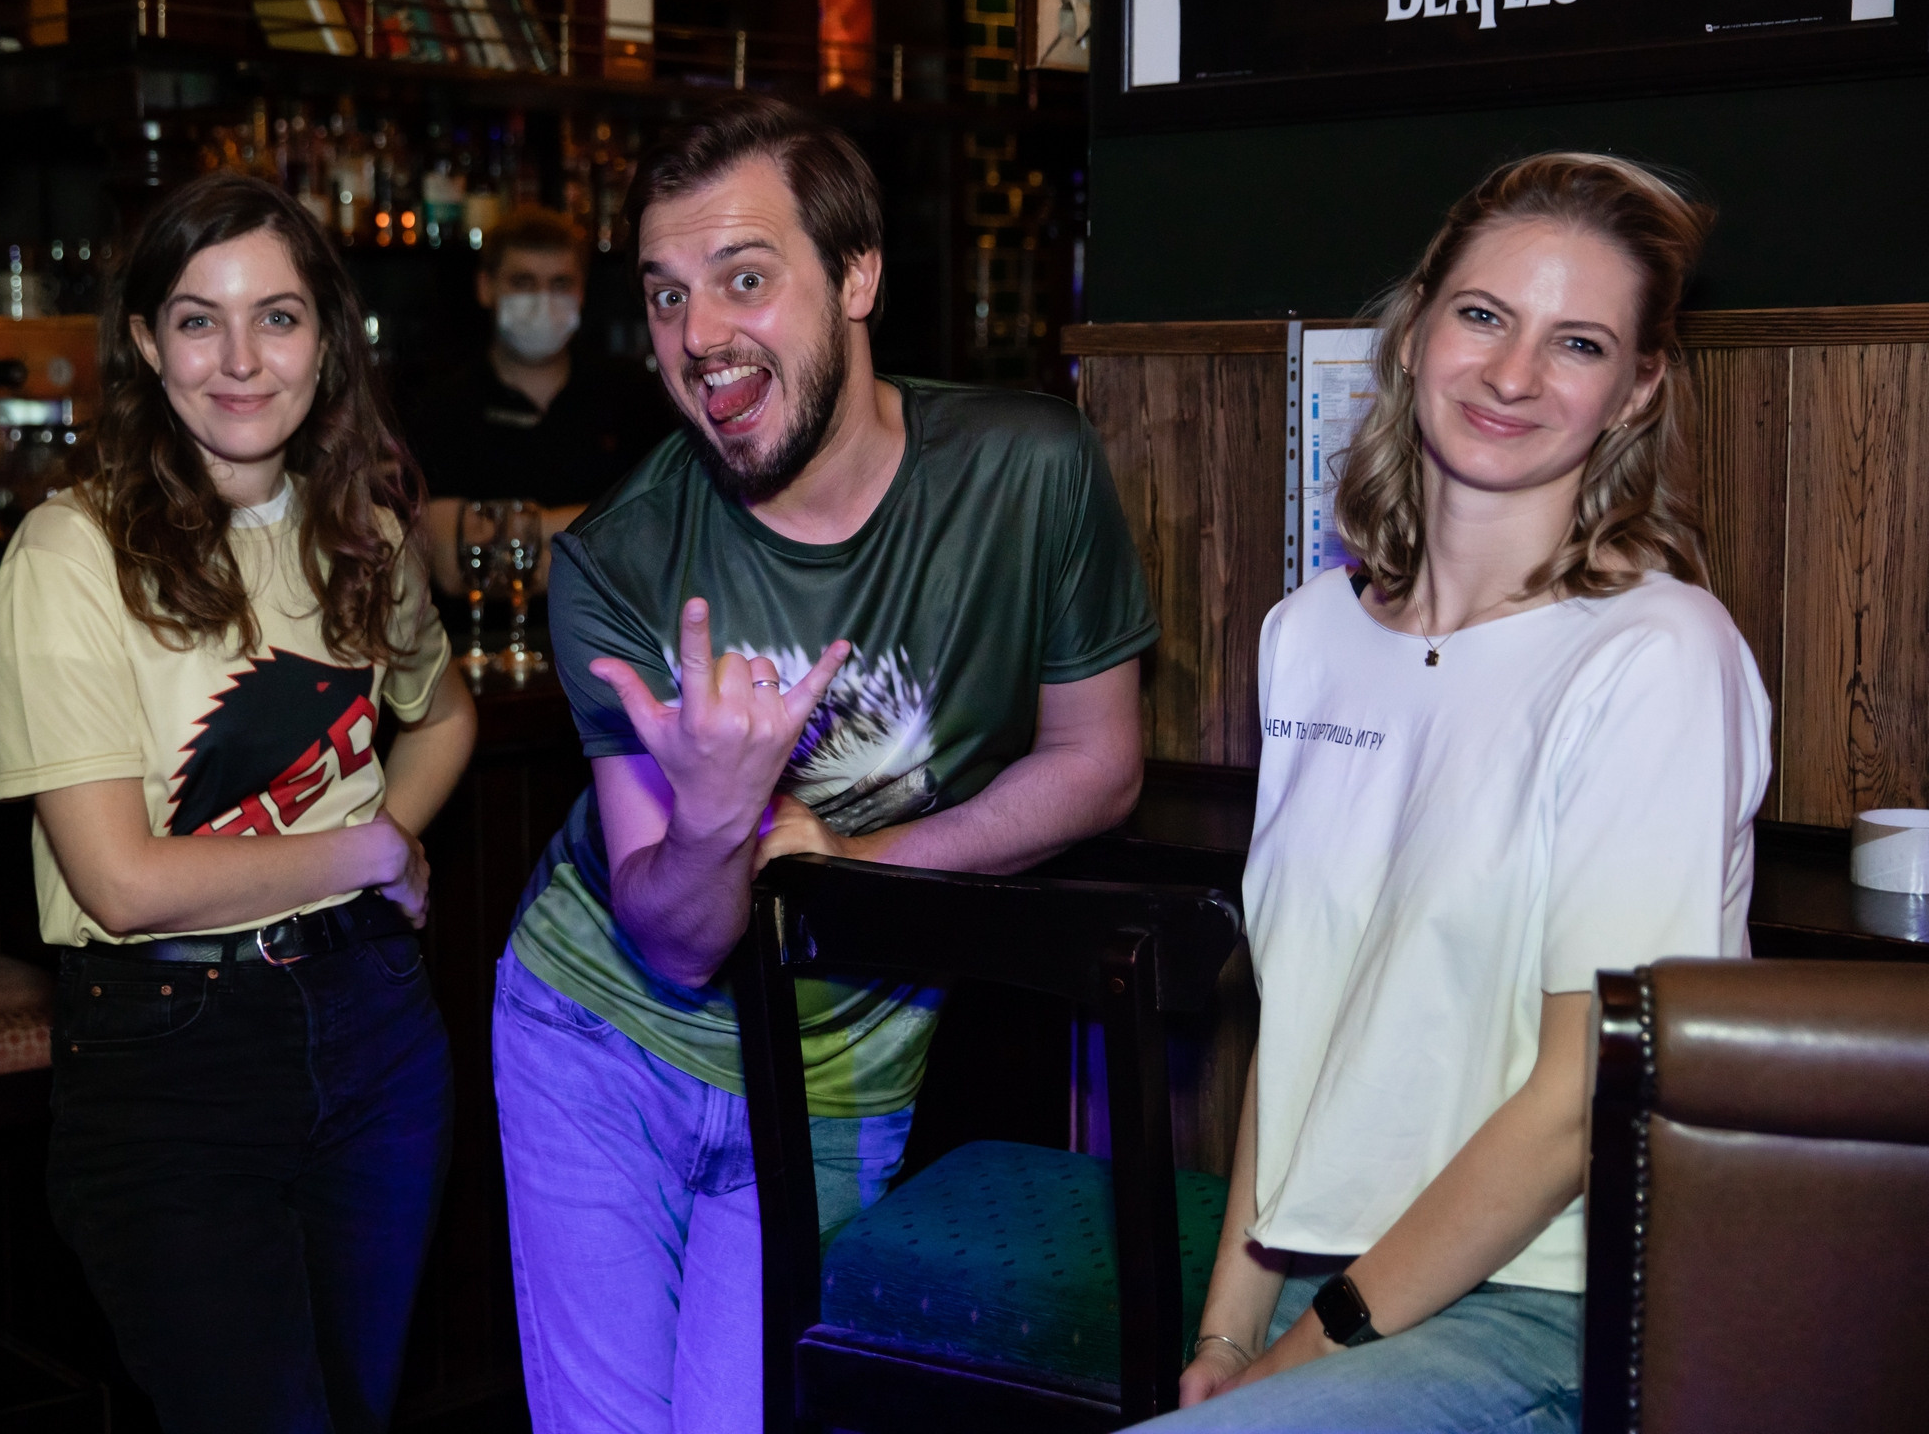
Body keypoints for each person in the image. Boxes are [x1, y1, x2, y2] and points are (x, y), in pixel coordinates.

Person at [493, 94, 1158, 1433]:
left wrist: (846, 868)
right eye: (669, 295)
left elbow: (1099, 765)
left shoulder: (1026, 476)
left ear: (857, 278)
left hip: (838, 1064)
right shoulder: (617, 565)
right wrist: (716, 828)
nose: (699, 340)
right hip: (598, 1039)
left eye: (745, 279)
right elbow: (676, 942)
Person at [1148, 154, 1771, 1433]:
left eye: (1579, 342)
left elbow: (1574, 1101)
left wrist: (1308, 1348)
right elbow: (1306, 1018)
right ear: (1419, 319)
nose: (1512, 375)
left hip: (1553, 1300)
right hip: (1334, 1280)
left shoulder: (1656, 655)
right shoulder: (1308, 632)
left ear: (1638, 386)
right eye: (1485, 315)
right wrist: (1230, 1322)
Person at [0, 173, 478, 1434]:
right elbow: (122, 879)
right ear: (147, 344)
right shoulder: (68, 551)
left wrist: (391, 836)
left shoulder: (362, 527)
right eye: (199, 320)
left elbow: (446, 713)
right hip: (171, 1047)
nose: (241, 358)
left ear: (329, 338)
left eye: (280, 316)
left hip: (374, 1021)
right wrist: (369, 844)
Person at [405, 204, 676, 596]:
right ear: (486, 287)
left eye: (560, 284)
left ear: (582, 291)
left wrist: (502, 532)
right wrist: (593, 535)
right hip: (478, 644)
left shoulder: (635, 396)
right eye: (523, 282)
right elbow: (451, 566)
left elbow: (658, 538)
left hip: (610, 647)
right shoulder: (439, 406)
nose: (542, 300)